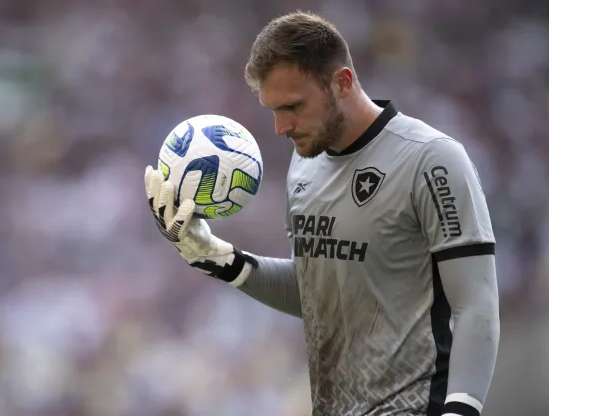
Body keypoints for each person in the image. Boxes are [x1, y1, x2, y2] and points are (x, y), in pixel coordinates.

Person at [144, 10, 500, 416]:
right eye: (272, 110)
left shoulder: (431, 159)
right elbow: (321, 292)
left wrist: (461, 410)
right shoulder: (305, 164)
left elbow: (476, 303)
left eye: (293, 106)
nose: (280, 127)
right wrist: (217, 257)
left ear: (342, 82)